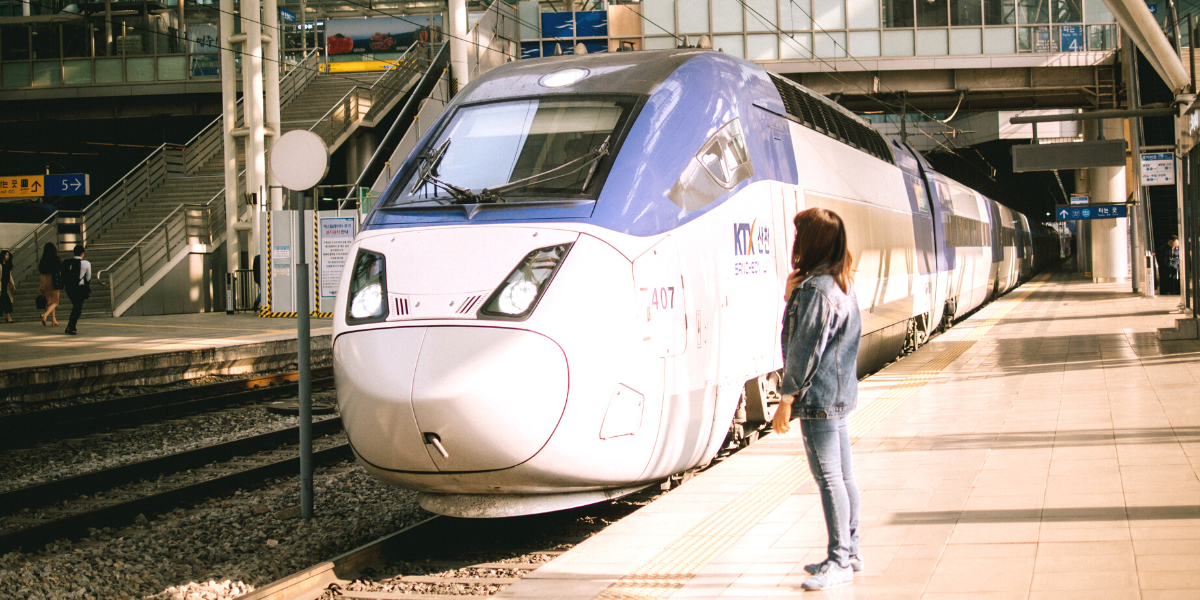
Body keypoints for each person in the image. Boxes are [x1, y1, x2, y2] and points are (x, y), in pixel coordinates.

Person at [772, 208, 863, 591]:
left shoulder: (814, 291)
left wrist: (787, 398)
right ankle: (851, 551)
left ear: (809, 243)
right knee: (844, 477)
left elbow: (802, 349)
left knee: (829, 480)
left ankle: (839, 560)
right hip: (839, 395)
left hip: (818, 400)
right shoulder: (841, 283)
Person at [61, 244, 92, 335]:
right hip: (79, 288)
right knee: (77, 308)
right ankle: (71, 326)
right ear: (82, 253)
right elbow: (88, 278)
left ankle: (71, 326)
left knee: (76, 307)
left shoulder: (67, 262)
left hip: (69, 288)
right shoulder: (86, 263)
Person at [38, 242, 61, 327]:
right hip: (53, 280)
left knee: (50, 301)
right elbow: (59, 270)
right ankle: (45, 315)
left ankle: (53, 320)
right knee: (55, 301)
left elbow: (41, 272)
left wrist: (41, 284)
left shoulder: (43, 260)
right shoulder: (56, 259)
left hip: (44, 280)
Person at [0, 250, 14, 323]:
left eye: (8, 255)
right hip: (1, 286)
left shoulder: (7, 265)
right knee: (5, 301)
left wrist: (13, 285)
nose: (7, 257)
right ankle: (8, 317)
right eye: (6, 255)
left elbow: (9, 276)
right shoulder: (0, 265)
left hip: (5, 286)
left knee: (4, 301)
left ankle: (8, 317)